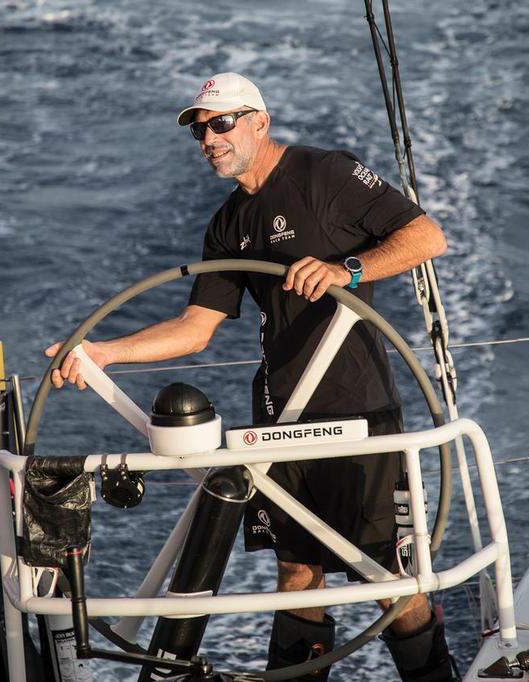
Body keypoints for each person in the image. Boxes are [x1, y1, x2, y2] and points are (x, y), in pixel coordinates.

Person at [46, 72, 453, 681]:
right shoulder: (227, 223)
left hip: (358, 411)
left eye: (221, 123)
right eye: (200, 130)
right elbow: (195, 327)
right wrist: (104, 352)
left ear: (259, 121)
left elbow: (426, 236)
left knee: (387, 580)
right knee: (295, 576)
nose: (209, 138)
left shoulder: (325, 174)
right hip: (279, 415)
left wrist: (349, 268)